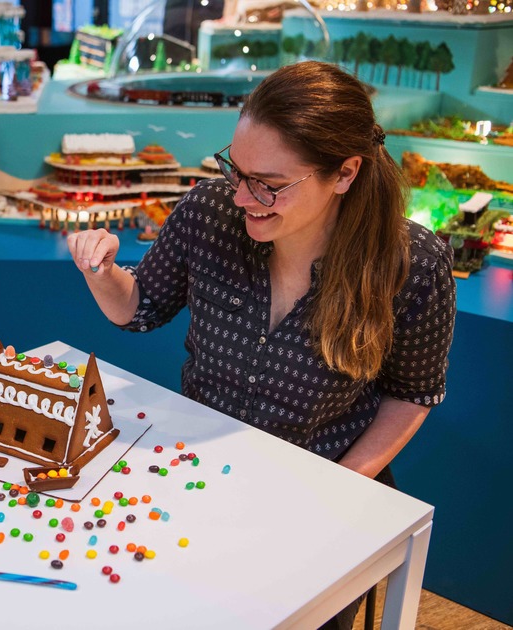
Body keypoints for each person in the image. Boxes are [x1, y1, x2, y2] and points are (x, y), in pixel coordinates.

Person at [69, 60, 455, 625]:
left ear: (344, 174)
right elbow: (139, 308)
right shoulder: (209, 212)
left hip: (319, 489)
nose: (244, 198)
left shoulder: (412, 264)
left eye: (270, 186)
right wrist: (102, 272)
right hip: (199, 479)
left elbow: (412, 393)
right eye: (236, 169)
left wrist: (340, 485)